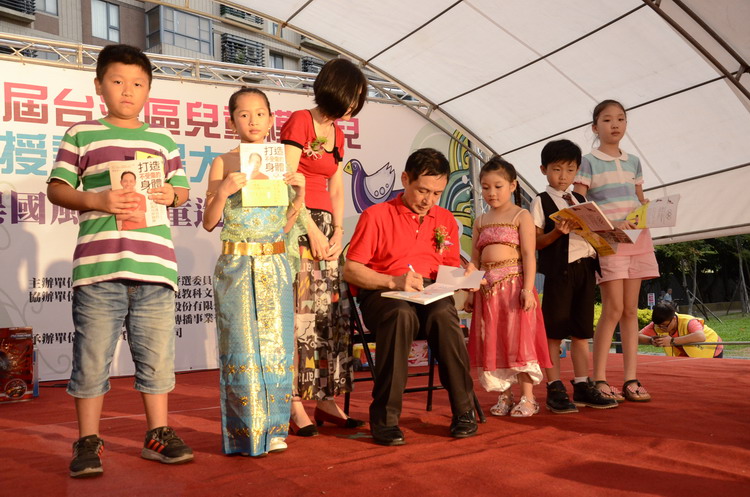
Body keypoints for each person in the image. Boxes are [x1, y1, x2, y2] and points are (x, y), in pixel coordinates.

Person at [46, 44, 192, 478]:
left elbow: (182, 190)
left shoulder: (162, 140)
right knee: (91, 359)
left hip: (155, 268)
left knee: (157, 359)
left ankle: (158, 433)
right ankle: (87, 440)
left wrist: (171, 194)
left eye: (138, 84)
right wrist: (98, 200)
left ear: (148, 90)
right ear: (98, 86)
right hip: (99, 268)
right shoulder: (81, 133)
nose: (128, 91)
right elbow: (57, 188)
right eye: (117, 81)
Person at [344, 148, 478, 445]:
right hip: (384, 291)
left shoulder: (444, 218)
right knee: (400, 315)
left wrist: (464, 277)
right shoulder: (376, 215)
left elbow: (448, 269)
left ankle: (464, 410)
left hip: (430, 292)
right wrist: (393, 281)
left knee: (444, 316)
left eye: (437, 193)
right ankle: (385, 419)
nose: (429, 200)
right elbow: (351, 270)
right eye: (422, 190)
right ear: (405, 179)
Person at [203, 87, 306, 457]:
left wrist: (300, 195)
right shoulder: (223, 162)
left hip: (275, 264)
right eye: (244, 114)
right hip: (237, 264)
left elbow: (284, 225)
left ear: (271, 118)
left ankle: (275, 428)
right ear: (232, 121)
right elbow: (208, 221)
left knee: (277, 346)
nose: (253, 121)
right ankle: (245, 433)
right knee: (242, 347)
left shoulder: (279, 163)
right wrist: (224, 190)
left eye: (260, 113)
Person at [281, 58, 368, 436]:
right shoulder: (300, 120)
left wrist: (338, 233)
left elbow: (336, 187)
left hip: (327, 230)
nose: (354, 105)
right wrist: (311, 230)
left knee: (329, 318)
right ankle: (293, 402)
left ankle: (326, 398)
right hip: (298, 227)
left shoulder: (338, 134)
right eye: (352, 96)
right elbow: (287, 183)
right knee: (300, 317)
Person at [573, 99, 659, 403]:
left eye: (621, 119)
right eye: (608, 120)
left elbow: (639, 198)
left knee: (631, 311)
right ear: (595, 127)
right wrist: (608, 224)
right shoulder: (588, 162)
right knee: (612, 309)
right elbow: (579, 203)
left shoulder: (634, 161)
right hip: (609, 242)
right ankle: (599, 379)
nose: (615, 125)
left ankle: (630, 379)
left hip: (638, 239)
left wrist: (649, 209)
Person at [529, 140, 618, 413]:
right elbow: (535, 242)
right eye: (557, 170)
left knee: (581, 332)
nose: (563, 176)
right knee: (554, 332)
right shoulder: (540, 201)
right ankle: (554, 387)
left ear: (577, 171)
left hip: (585, 269)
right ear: (544, 169)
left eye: (569, 170)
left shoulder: (580, 201)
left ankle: (581, 385)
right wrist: (557, 232)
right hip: (560, 272)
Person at [465, 157, 551, 418]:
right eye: (485, 187)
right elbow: (475, 260)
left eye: (498, 186)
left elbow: (529, 254)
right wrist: (470, 292)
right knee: (494, 341)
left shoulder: (521, 215)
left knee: (519, 342)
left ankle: (528, 397)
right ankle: (505, 394)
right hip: (487, 293)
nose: (491, 193)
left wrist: (527, 289)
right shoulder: (480, 220)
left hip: (515, 289)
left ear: (513, 185)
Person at [639, 303, 723, 358]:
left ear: (674, 319)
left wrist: (672, 341)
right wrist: (650, 340)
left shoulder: (688, 321)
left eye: (665, 325)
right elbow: (636, 337)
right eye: (659, 325)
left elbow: (700, 336)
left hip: (712, 349)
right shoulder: (656, 325)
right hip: (687, 354)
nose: (661, 328)